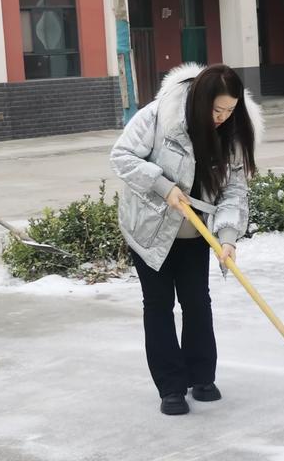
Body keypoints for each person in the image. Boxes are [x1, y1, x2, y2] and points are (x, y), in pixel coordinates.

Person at [110, 64, 263, 415]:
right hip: (148, 230)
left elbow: (234, 190)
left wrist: (226, 237)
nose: (223, 117)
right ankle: (171, 386)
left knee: (197, 301)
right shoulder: (160, 116)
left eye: (229, 110)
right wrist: (163, 186)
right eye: (216, 109)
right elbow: (121, 156)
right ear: (199, 101)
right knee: (159, 304)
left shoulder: (232, 135)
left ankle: (201, 376)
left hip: (196, 233)